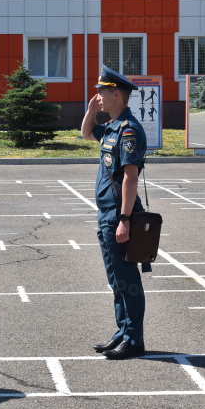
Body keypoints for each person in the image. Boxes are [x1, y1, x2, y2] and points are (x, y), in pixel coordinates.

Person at [81, 65, 149, 360]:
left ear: (117, 93)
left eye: (102, 91)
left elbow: (130, 178)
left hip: (120, 215)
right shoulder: (112, 127)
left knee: (127, 280)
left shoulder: (129, 130)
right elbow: (86, 134)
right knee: (115, 279)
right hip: (106, 213)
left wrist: (124, 220)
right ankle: (122, 332)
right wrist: (89, 111)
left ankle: (134, 340)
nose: (98, 95)